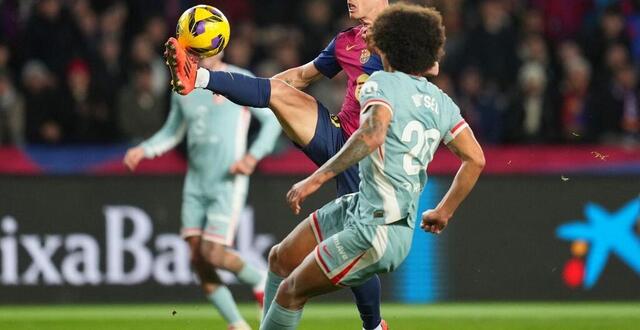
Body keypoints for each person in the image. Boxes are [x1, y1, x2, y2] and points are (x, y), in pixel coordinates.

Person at [165, 1, 403, 328]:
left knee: (348, 247)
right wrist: (260, 93)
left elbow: (429, 67)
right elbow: (301, 76)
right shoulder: (347, 41)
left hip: (372, 154)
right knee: (277, 91)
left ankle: (374, 325)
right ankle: (200, 77)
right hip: (338, 137)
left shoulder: (402, 34)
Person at [261, 4, 484, 328]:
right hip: (363, 208)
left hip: (375, 228)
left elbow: (372, 134)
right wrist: (444, 211)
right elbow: (476, 159)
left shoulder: (381, 83)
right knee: (280, 258)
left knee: (290, 293)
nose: (368, 36)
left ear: (390, 45)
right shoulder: (442, 102)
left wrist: (317, 179)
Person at [123, 54, 282, 330]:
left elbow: (272, 120)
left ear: (219, 48)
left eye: (207, 48)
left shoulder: (237, 78)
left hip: (227, 181)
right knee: (198, 259)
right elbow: (172, 131)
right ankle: (237, 325)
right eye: (196, 49)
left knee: (213, 252)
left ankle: (258, 278)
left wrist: (253, 156)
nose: (201, 54)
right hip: (195, 184)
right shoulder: (182, 87)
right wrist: (144, 149)